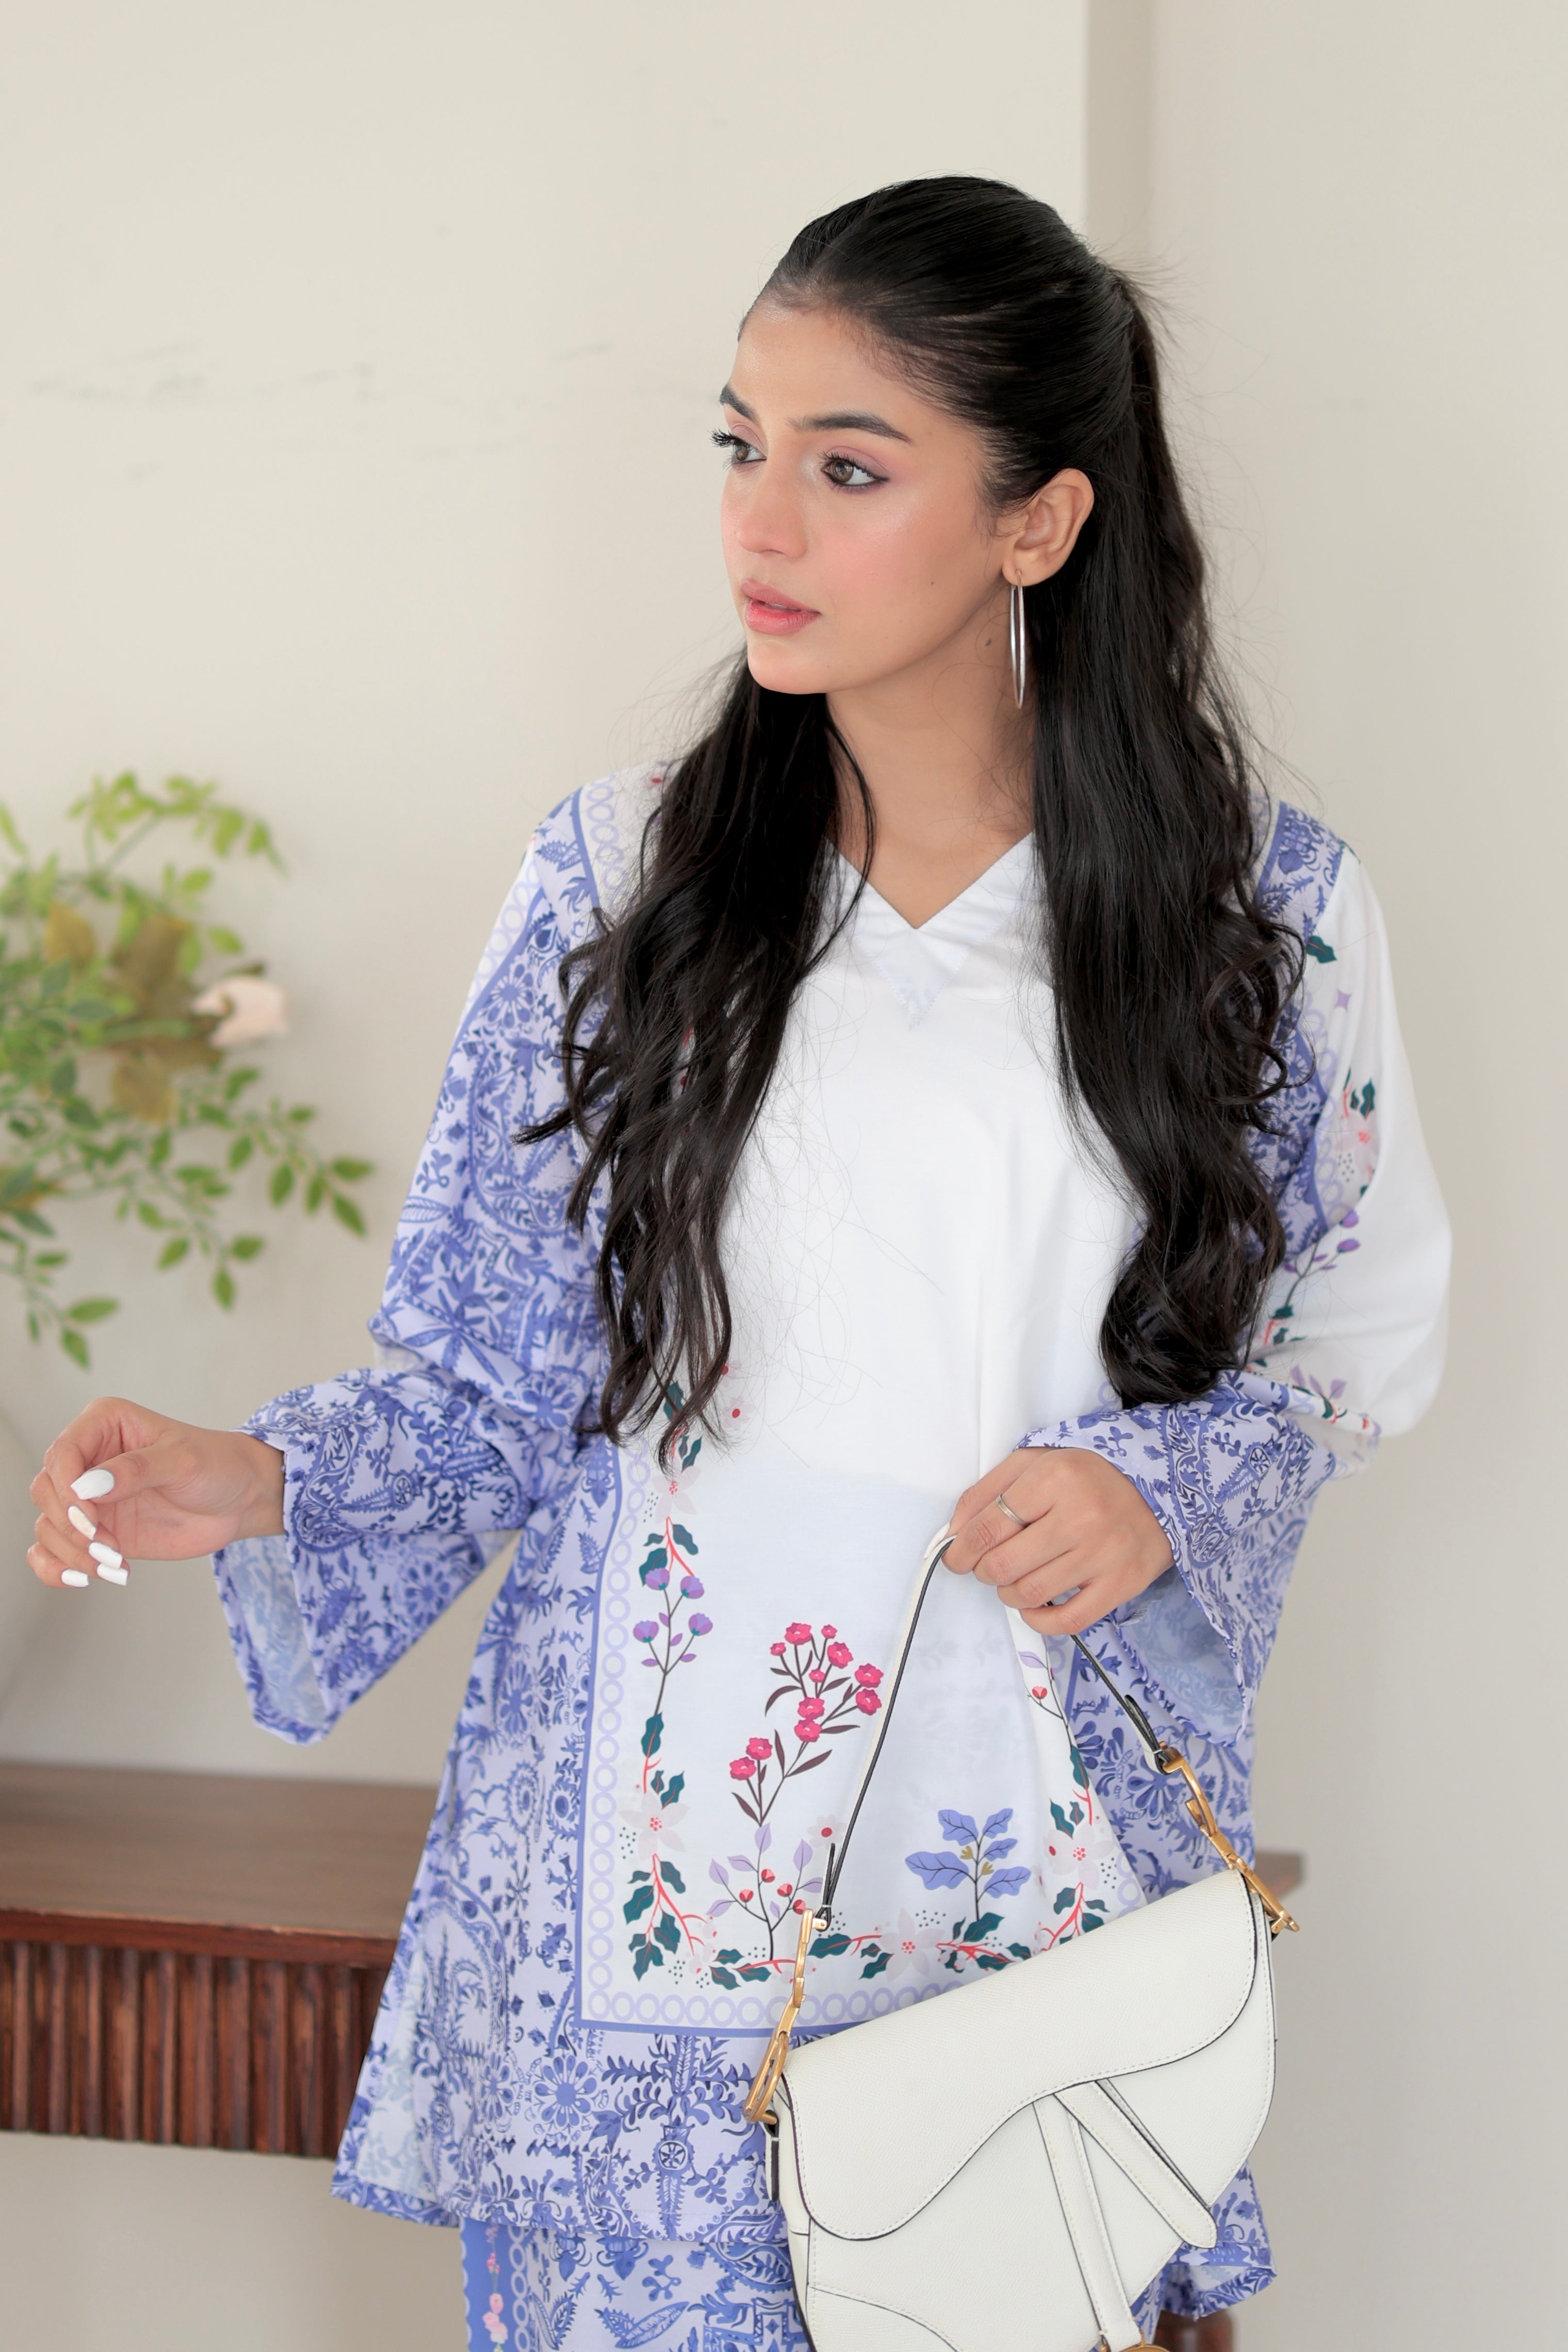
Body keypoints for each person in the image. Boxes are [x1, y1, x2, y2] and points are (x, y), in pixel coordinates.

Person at [29, 177, 1449, 2348]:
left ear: (1039, 521)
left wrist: (1161, 1489)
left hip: (1028, 1879)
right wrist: (255, 1479)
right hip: (645, 1889)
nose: (760, 524)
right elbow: (494, 1372)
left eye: (848, 468)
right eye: (739, 445)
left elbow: (1343, 1329)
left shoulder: (1262, 918)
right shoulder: (621, 884)